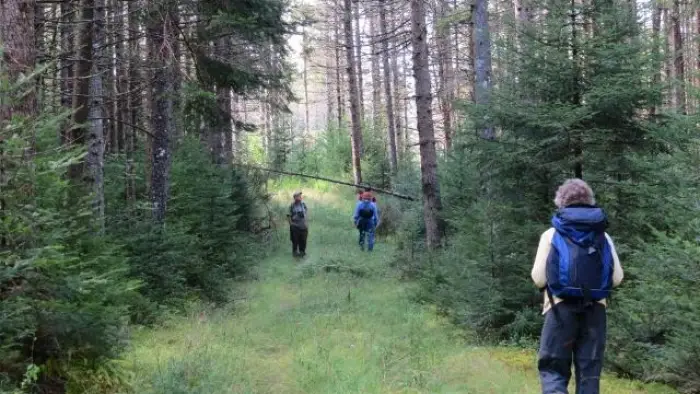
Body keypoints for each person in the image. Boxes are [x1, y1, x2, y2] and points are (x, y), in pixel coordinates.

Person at [531, 178, 624, 394]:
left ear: (561, 202)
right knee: (589, 373)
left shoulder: (552, 234)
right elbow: (617, 277)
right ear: (590, 201)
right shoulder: (603, 235)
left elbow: (538, 278)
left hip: (559, 311)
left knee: (554, 370)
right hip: (595, 311)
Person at [287, 191, 308, 258]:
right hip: (295, 227)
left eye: (300, 196)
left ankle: (302, 256)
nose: (300, 197)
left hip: (303, 227)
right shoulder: (292, 205)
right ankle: (295, 257)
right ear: (295, 197)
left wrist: (305, 222)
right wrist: (291, 224)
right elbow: (288, 215)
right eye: (298, 196)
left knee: (303, 242)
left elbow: (306, 212)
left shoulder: (303, 204)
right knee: (295, 242)